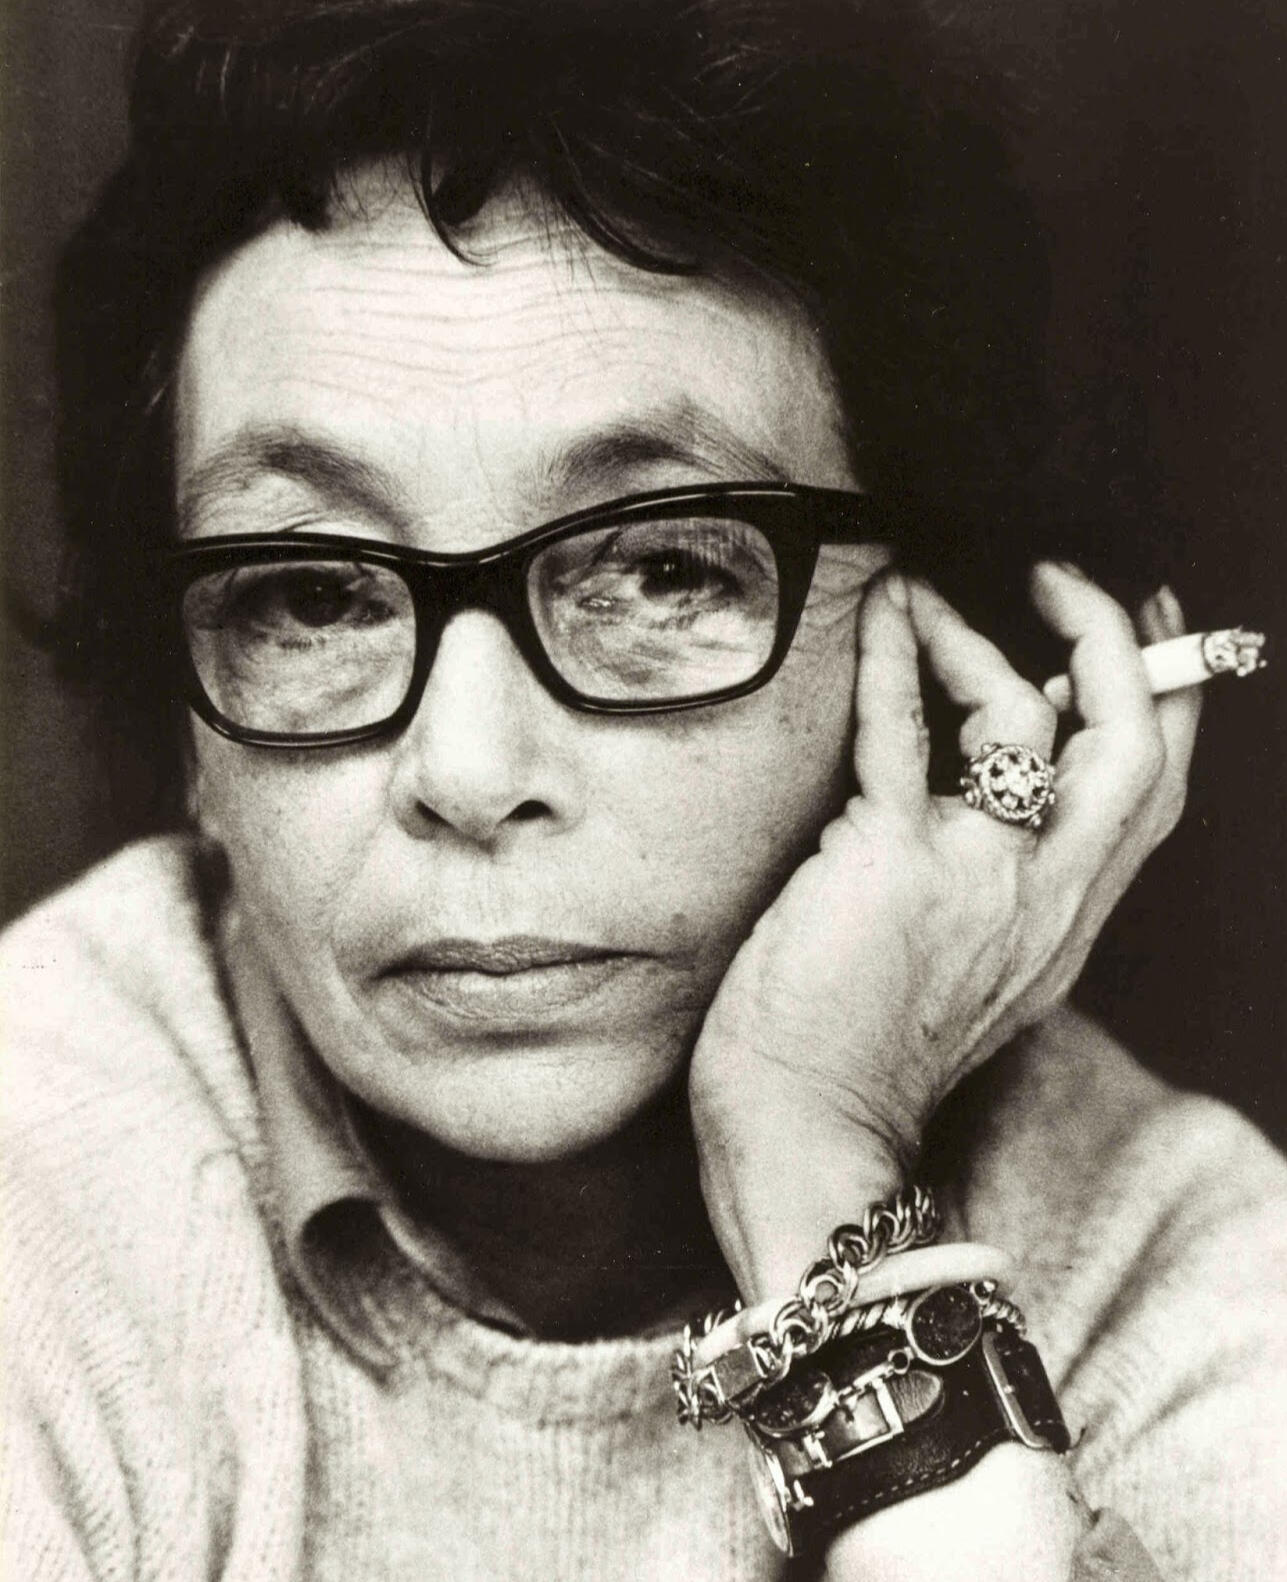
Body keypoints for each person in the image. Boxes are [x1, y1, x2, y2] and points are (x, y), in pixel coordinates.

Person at [2, 0, 1284, 1577]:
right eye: (312, 594)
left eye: (665, 569)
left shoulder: (1181, 1263)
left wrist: (815, 1160)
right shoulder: (33, 1178)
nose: (472, 772)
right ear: (186, 728)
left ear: (941, 647)